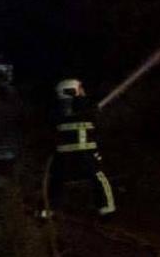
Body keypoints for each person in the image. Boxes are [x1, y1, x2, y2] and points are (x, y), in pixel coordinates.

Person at [44, 78, 115, 217]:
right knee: (100, 180)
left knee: (54, 182)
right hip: (87, 155)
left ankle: (46, 211)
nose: (83, 92)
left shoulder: (56, 111)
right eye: (80, 89)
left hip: (63, 157)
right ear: (71, 91)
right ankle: (107, 210)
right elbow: (96, 121)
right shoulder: (85, 107)